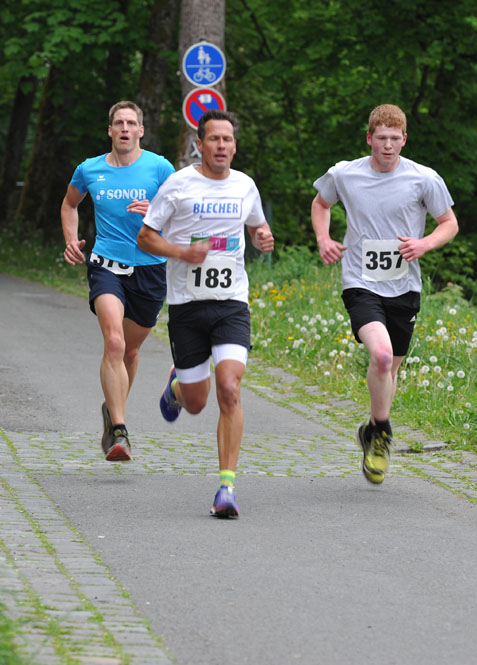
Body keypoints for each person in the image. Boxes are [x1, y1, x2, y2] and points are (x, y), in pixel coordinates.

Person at [310, 103, 459, 485]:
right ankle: (382, 433)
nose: (388, 145)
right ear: (369, 139)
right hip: (360, 281)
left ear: (404, 140)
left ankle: (371, 430)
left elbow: (449, 223)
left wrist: (424, 244)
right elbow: (321, 203)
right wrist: (324, 238)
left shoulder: (424, 179)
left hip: (404, 286)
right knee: (379, 355)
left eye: (395, 138)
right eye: (381, 138)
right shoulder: (345, 174)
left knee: (389, 369)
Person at [138, 109, 274, 519]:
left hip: (232, 302)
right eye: (213, 139)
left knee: (229, 388)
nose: (221, 145)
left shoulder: (245, 185)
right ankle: (177, 389)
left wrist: (262, 236)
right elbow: (146, 237)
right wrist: (182, 252)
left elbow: (257, 227)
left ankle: (226, 488)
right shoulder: (179, 185)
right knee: (197, 403)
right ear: (200, 145)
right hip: (187, 305)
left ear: (234, 145)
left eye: (227, 139)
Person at [61, 101, 175, 462]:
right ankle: (120, 431)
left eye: (131, 123)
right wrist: (71, 240)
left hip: (150, 268)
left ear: (141, 130)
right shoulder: (89, 169)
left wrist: (157, 212)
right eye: (118, 123)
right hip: (105, 264)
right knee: (113, 341)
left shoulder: (160, 168)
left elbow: (184, 212)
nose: (125, 128)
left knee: (130, 351)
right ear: (110, 130)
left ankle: (111, 410)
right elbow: (69, 204)